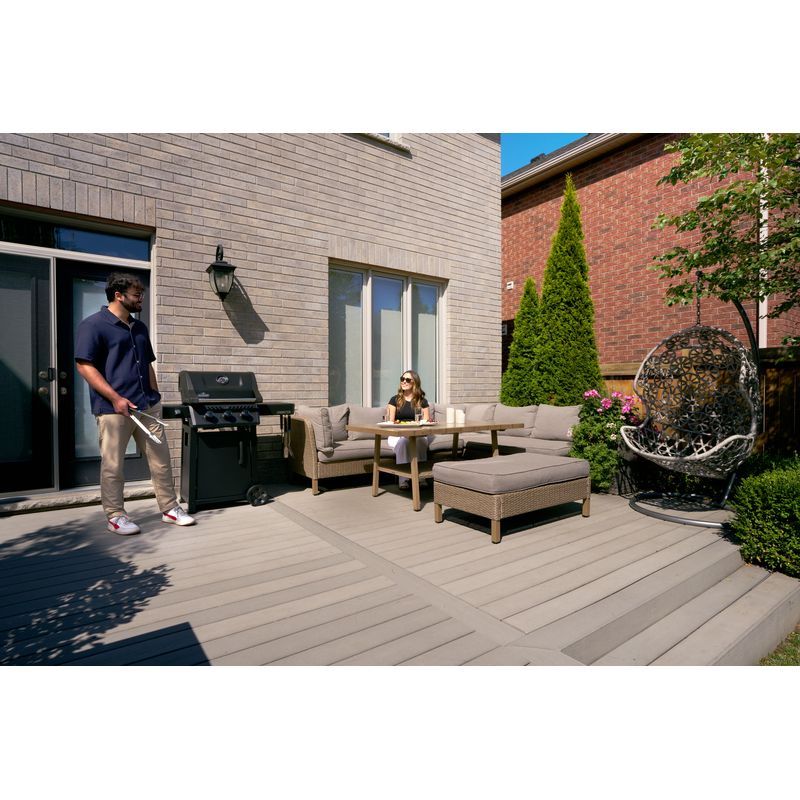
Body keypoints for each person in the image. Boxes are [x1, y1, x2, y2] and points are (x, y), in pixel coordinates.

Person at [75, 272, 196, 535]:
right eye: (136, 295)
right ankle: (116, 516)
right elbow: (84, 366)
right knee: (113, 465)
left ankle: (169, 508)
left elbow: (148, 364)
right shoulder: (93, 325)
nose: (141, 299)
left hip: (147, 407)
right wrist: (116, 398)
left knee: (161, 461)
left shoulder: (139, 328)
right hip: (113, 409)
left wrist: (155, 395)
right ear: (118, 295)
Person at [386, 370, 433, 490]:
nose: (404, 382)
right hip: (397, 434)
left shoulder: (422, 401)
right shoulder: (394, 400)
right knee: (403, 442)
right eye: (402, 379)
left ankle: (420, 477)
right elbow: (390, 422)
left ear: (414, 382)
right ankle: (403, 479)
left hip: (417, 434)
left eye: (407, 380)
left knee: (421, 441)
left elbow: (426, 422)